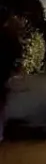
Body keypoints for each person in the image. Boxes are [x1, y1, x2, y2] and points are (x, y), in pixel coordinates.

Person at [0, 11, 22, 144]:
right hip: (3, 72)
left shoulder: (8, 35)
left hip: (3, 72)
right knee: (1, 102)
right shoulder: (10, 35)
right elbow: (16, 54)